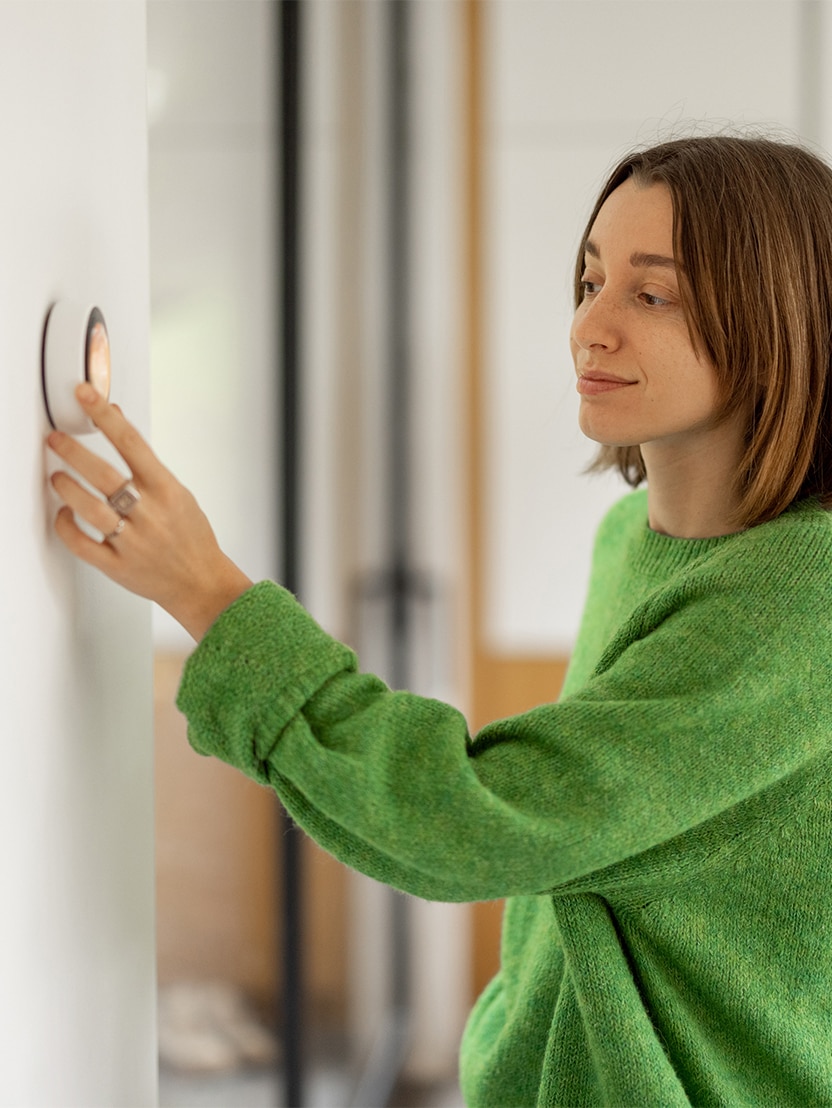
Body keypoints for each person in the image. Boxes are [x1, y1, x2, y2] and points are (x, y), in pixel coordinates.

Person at [48, 134, 832, 1106]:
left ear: (778, 319)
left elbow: (474, 816)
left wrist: (210, 596)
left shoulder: (803, 599)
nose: (591, 324)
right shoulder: (629, 535)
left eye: (651, 293)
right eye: (588, 280)